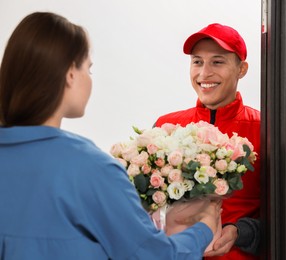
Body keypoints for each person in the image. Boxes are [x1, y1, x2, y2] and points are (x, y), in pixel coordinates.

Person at [0, 12, 221, 260]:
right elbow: (152, 256)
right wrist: (204, 229)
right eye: (89, 69)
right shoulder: (88, 168)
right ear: (70, 74)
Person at [154, 23, 262, 259]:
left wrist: (241, 232)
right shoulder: (165, 127)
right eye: (197, 62)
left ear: (242, 69)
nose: (204, 74)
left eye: (217, 61)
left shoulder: (265, 129)